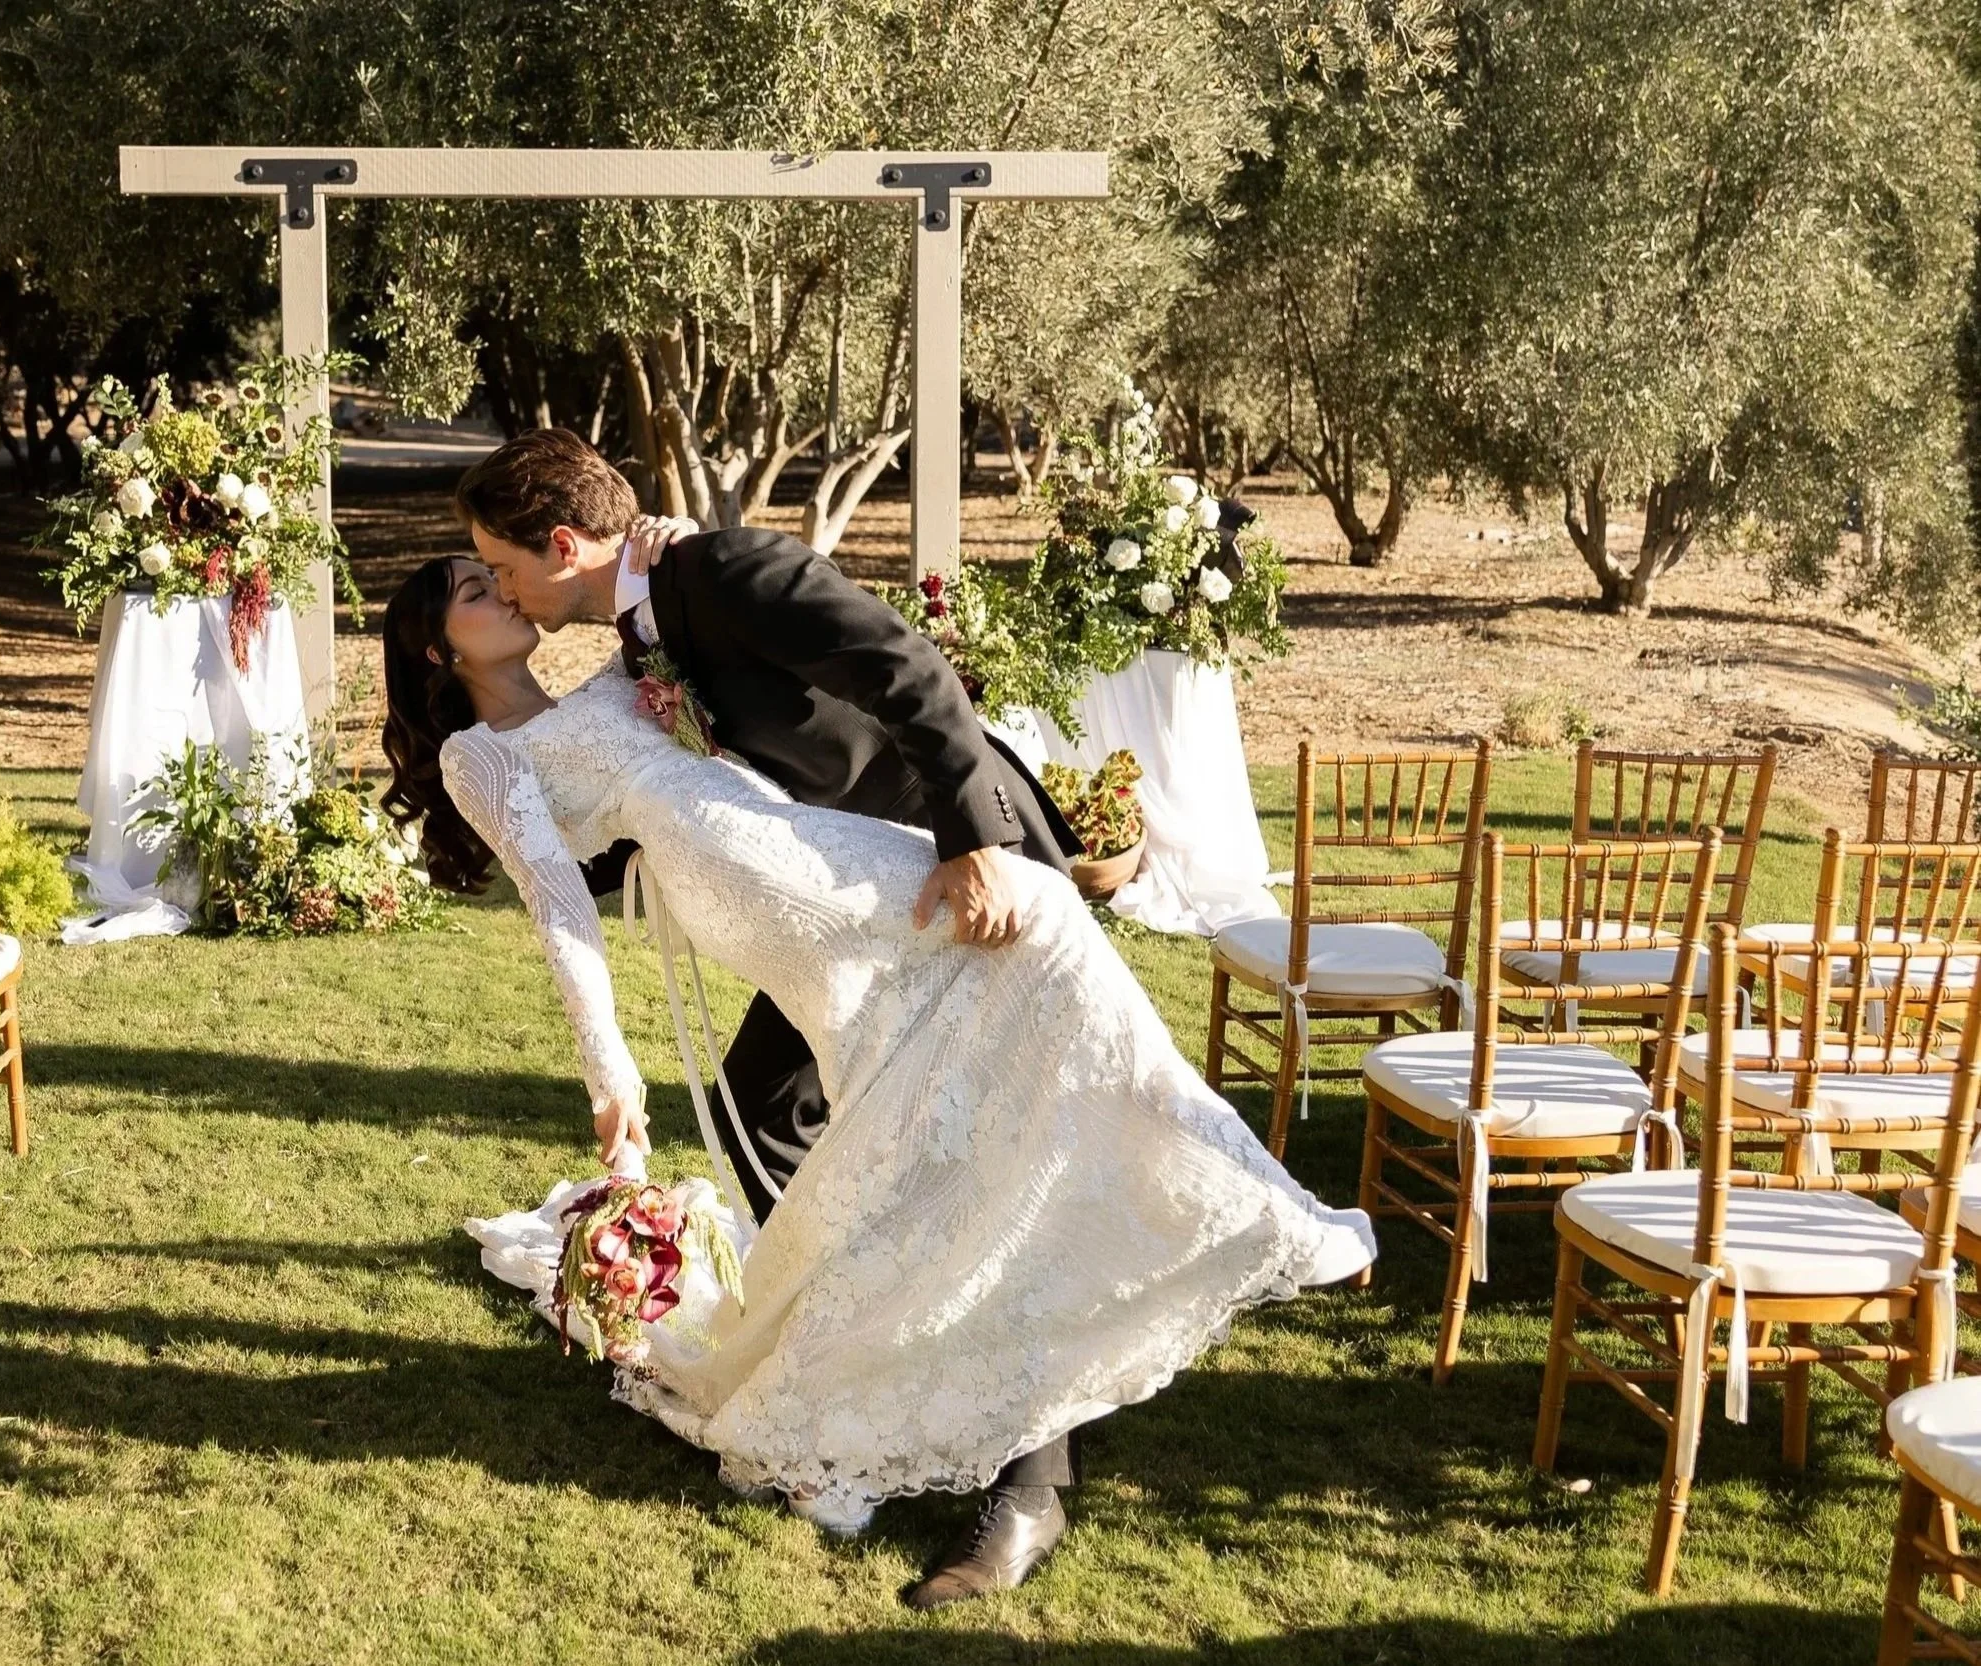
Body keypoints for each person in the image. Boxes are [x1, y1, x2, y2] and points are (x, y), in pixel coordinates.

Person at [381, 432, 1372, 1611]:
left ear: (557, 549)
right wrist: (609, 1052)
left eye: (495, 563)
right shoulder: (623, 641)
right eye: (473, 583)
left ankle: (1051, 1447)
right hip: (823, 912)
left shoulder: (709, 578)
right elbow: (584, 858)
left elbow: (903, 666)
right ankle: (890, 1348)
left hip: (934, 876)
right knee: (824, 1128)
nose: (495, 583)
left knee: (1030, 1125)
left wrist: (976, 844)